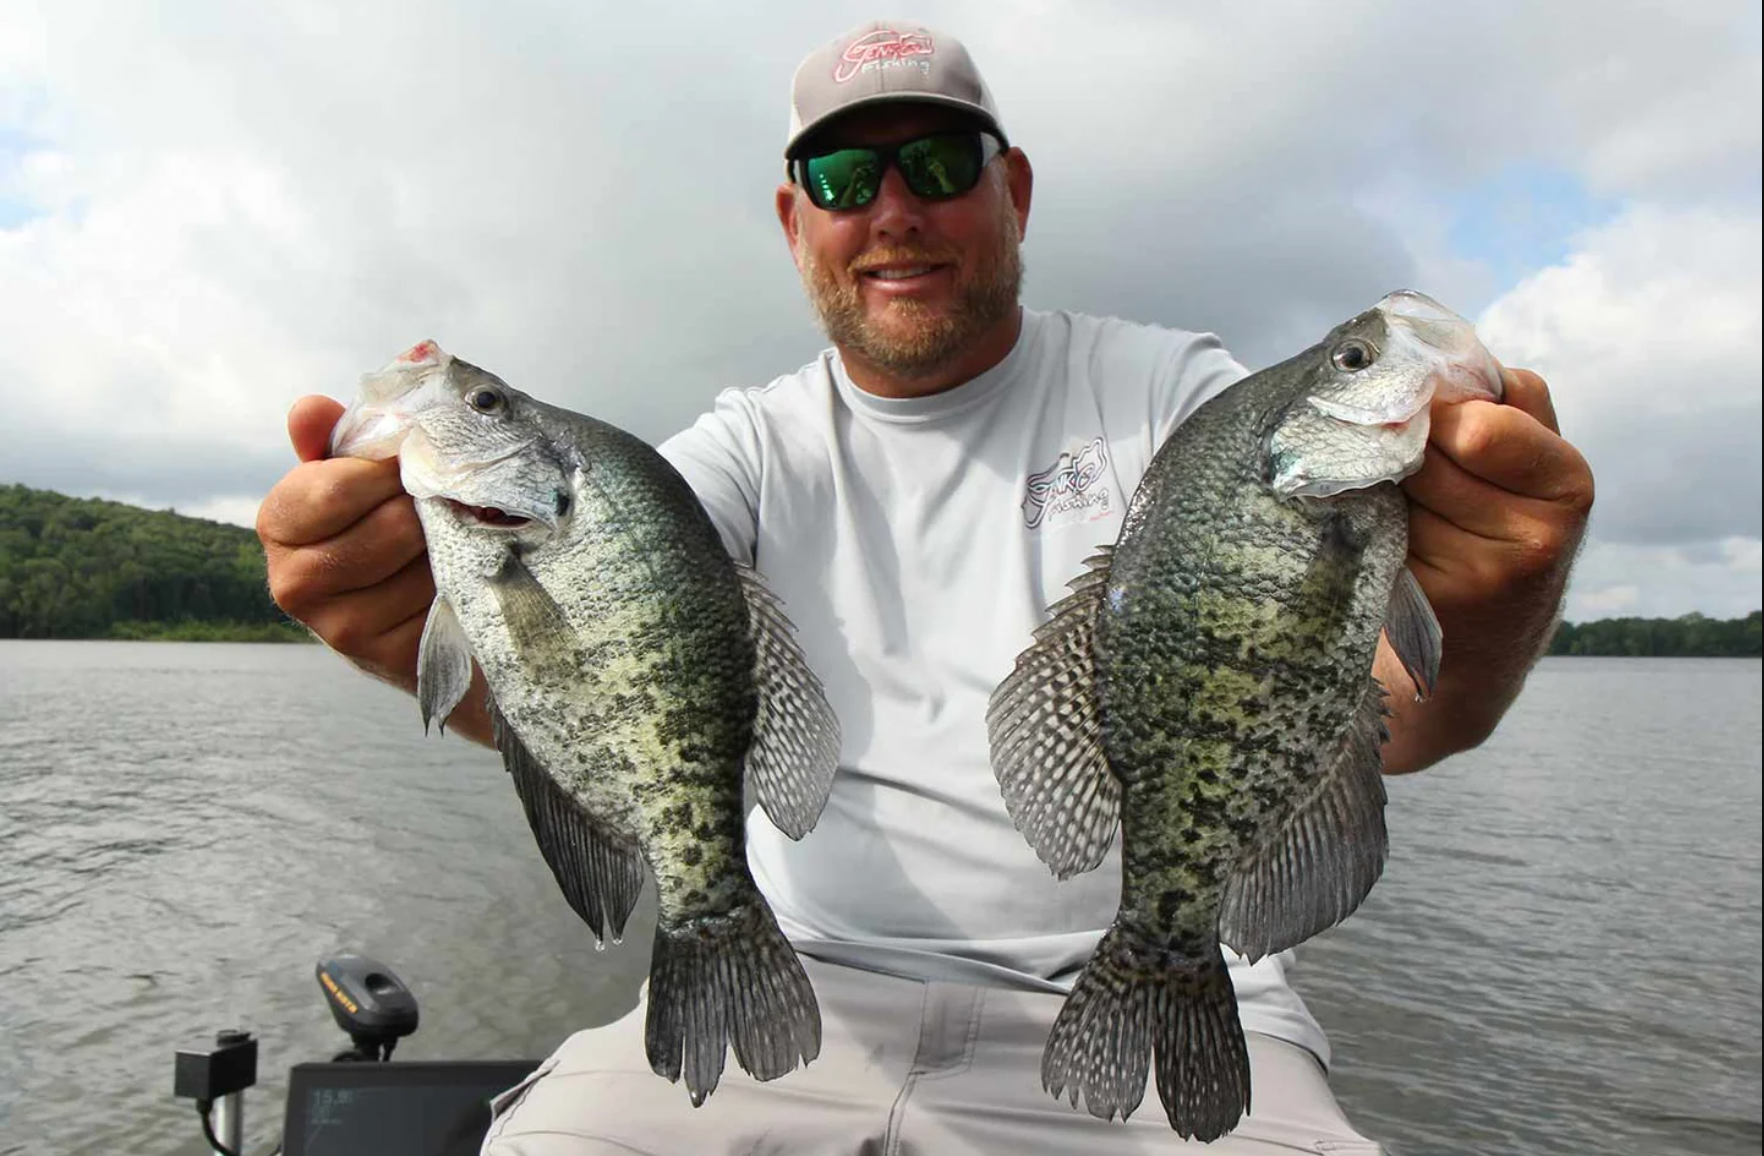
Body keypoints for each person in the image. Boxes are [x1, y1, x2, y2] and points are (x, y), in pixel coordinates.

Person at [256, 20, 1594, 1156]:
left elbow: (1398, 720)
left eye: (941, 164)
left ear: (1016, 191)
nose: (893, 210)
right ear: (795, 221)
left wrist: (1491, 599)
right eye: (843, 175)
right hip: (805, 978)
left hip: (1193, 982)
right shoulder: (735, 452)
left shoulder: (1185, 399)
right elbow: (620, 679)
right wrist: (420, 637)